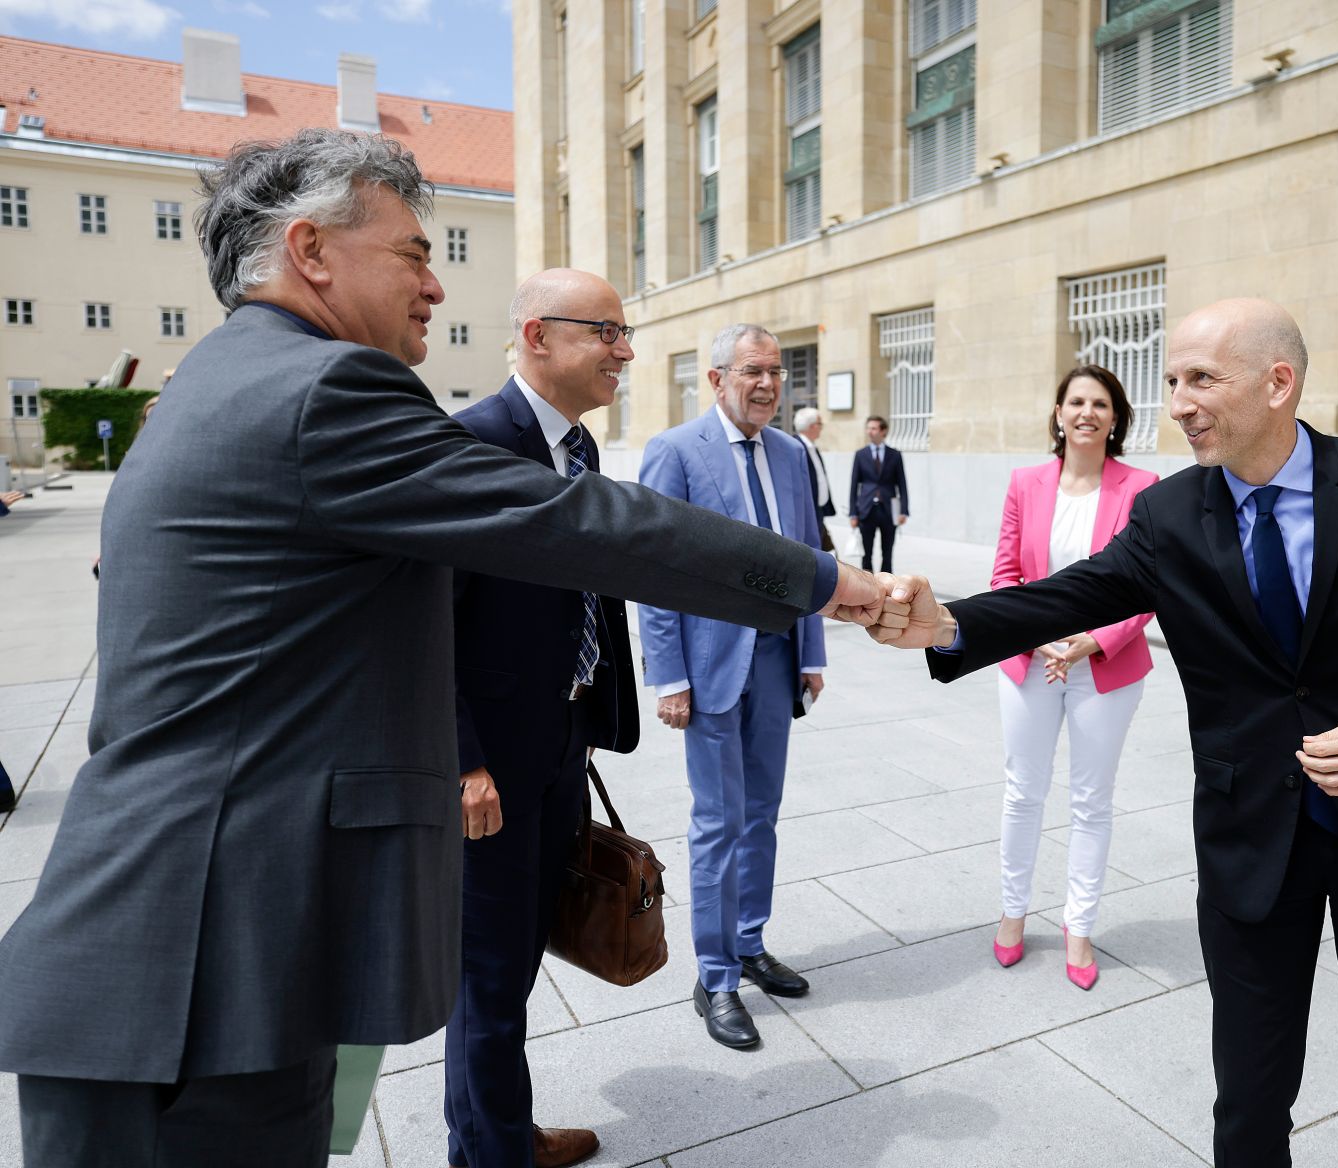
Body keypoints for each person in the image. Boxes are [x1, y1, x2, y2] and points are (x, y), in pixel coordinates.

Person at [0, 129, 889, 1168]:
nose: (433, 283)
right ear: (311, 250)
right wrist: (834, 582)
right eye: (413, 252)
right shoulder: (326, 393)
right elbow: (589, 525)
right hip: (203, 965)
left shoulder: (219, 381)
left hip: (196, 946)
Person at [877, 299, 1338, 1168]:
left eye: (1202, 379)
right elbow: (1070, 596)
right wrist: (947, 627)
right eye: (1170, 382)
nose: (1179, 403)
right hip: (1251, 847)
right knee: (1250, 1095)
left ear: (1280, 383)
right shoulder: (1171, 514)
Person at [441, 268, 645, 1168]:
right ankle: (492, 1155)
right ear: (535, 334)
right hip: (489, 766)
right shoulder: (472, 444)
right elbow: (423, 621)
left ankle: (493, 1136)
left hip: (560, 743)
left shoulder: (581, 450)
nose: (625, 351)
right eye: (605, 331)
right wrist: (461, 761)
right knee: (487, 975)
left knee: (518, 960)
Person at [638, 324, 825, 1050]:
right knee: (717, 822)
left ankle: (748, 942)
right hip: (710, 670)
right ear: (716, 380)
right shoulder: (677, 452)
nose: (769, 385)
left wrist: (812, 652)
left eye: (777, 372)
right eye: (753, 371)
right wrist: (671, 676)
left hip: (776, 663)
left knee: (763, 814)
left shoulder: (791, 453)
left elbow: (810, 556)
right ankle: (715, 978)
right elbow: (653, 573)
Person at [989, 365, 1158, 989]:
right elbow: (1005, 573)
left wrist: (1090, 642)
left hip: (1105, 668)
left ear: (1116, 419)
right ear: (1058, 413)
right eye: (1076, 401)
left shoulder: (1142, 488)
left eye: (1101, 404)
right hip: (1028, 662)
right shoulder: (1025, 483)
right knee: (1022, 791)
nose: (1087, 412)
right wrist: (1033, 638)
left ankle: (1078, 926)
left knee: (1091, 801)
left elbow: (1148, 586)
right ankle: (1012, 914)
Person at [849, 414, 909, 572]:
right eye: (868, 428)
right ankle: (867, 587)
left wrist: (904, 511)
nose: (870, 432)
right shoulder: (860, 454)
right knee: (866, 553)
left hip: (888, 511)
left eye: (874, 428)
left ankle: (887, 586)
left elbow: (902, 484)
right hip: (866, 510)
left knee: (887, 553)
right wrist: (853, 513)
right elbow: (854, 486)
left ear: (883, 431)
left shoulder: (894, 455)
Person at [793, 406, 837, 551]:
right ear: (812, 426)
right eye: (820, 424)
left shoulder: (812, 447)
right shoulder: (795, 446)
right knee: (812, 549)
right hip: (806, 511)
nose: (821, 428)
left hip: (818, 509)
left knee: (824, 550)